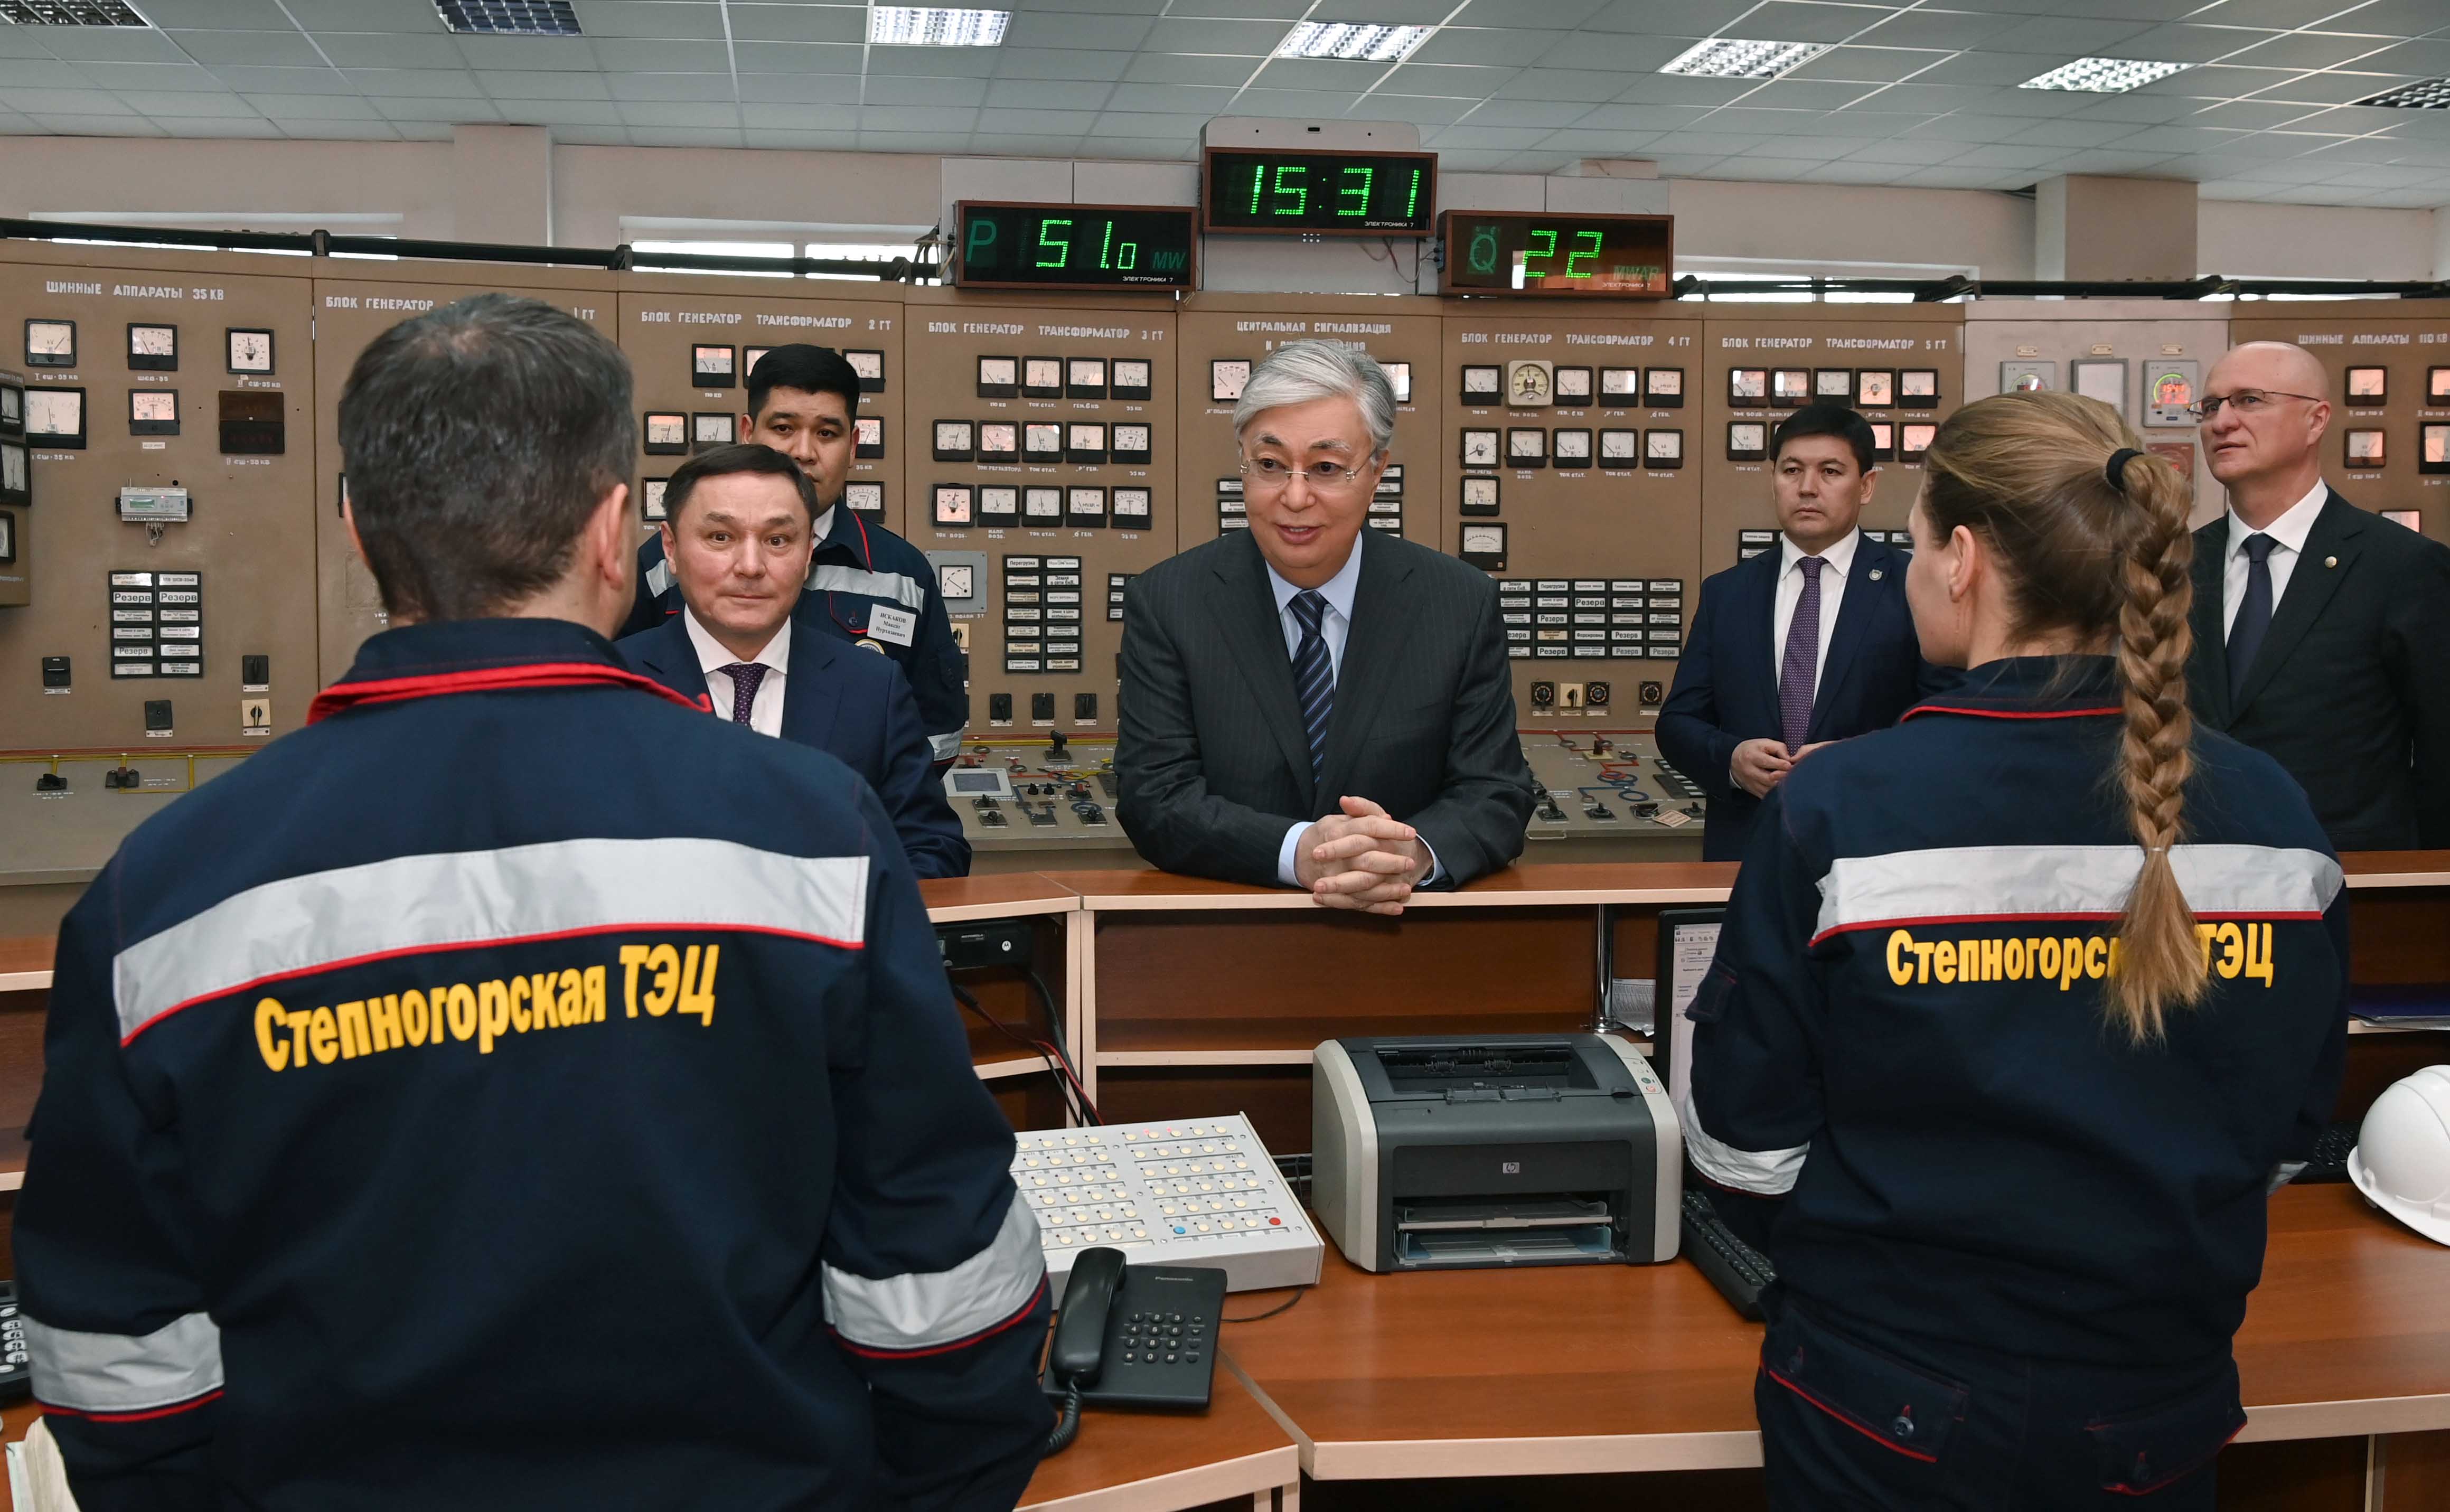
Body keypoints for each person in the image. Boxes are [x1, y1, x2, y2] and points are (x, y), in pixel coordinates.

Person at [15, 295, 1050, 1511]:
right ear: (618, 532)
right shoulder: (813, 835)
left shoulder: (160, 895)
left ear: (357, 532)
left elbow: (116, 1362)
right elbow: (937, 1284)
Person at [1685, 390, 2348, 1509]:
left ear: (1962, 560)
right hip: (2157, 1393)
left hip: (1885, 1388)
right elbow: (2288, 1127)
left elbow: (1748, 1147)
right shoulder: (2273, 810)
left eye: (1911, 543)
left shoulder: (1842, 807)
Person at [1116, 340, 1533, 913]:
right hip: (1226, 938)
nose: (1294, 497)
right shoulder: (1168, 601)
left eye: (1326, 468)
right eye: (1269, 465)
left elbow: (1496, 792)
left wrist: (1409, 856)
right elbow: (1154, 799)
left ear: (1377, 471)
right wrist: (1299, 852)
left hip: (1407, 931)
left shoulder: (1459, 602)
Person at [619, 442, 968, 879]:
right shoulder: (609, 686)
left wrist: (844, 910)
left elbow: (933, 848)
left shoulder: (872, 689)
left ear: (807, 556)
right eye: (721, 537)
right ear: (670, 548)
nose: (750, 566)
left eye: (778, 540)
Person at [623, 344, 969, 770]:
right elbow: (617, 695)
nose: (803, 451)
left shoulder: (904, 574)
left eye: (826, 433)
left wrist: (869, 802)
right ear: (748, 432)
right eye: (784, 428)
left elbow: (936, 731)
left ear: (853, 446)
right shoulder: (661, 563)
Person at [2185, 340, 2450, 851]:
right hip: (2197, 876)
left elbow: (2441, 753)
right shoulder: (2175, 566)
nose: (2221, 422)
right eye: (2211, 406)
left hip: (2349, 878)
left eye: (2248, 400)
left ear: (2316, 421)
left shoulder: (2400, 566)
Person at [1658, 403, 1930, 862]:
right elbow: (1677, 722)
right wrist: (1731, 759)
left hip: (1873, 850)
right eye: (1791, 470)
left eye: (1830, 471)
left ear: (1866, 485)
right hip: (1748, 850)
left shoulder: (1912, 587)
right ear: (1773, 480)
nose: (1807, 487)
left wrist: (1858, 761)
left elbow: (1944, 724)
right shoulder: (1727, 592)